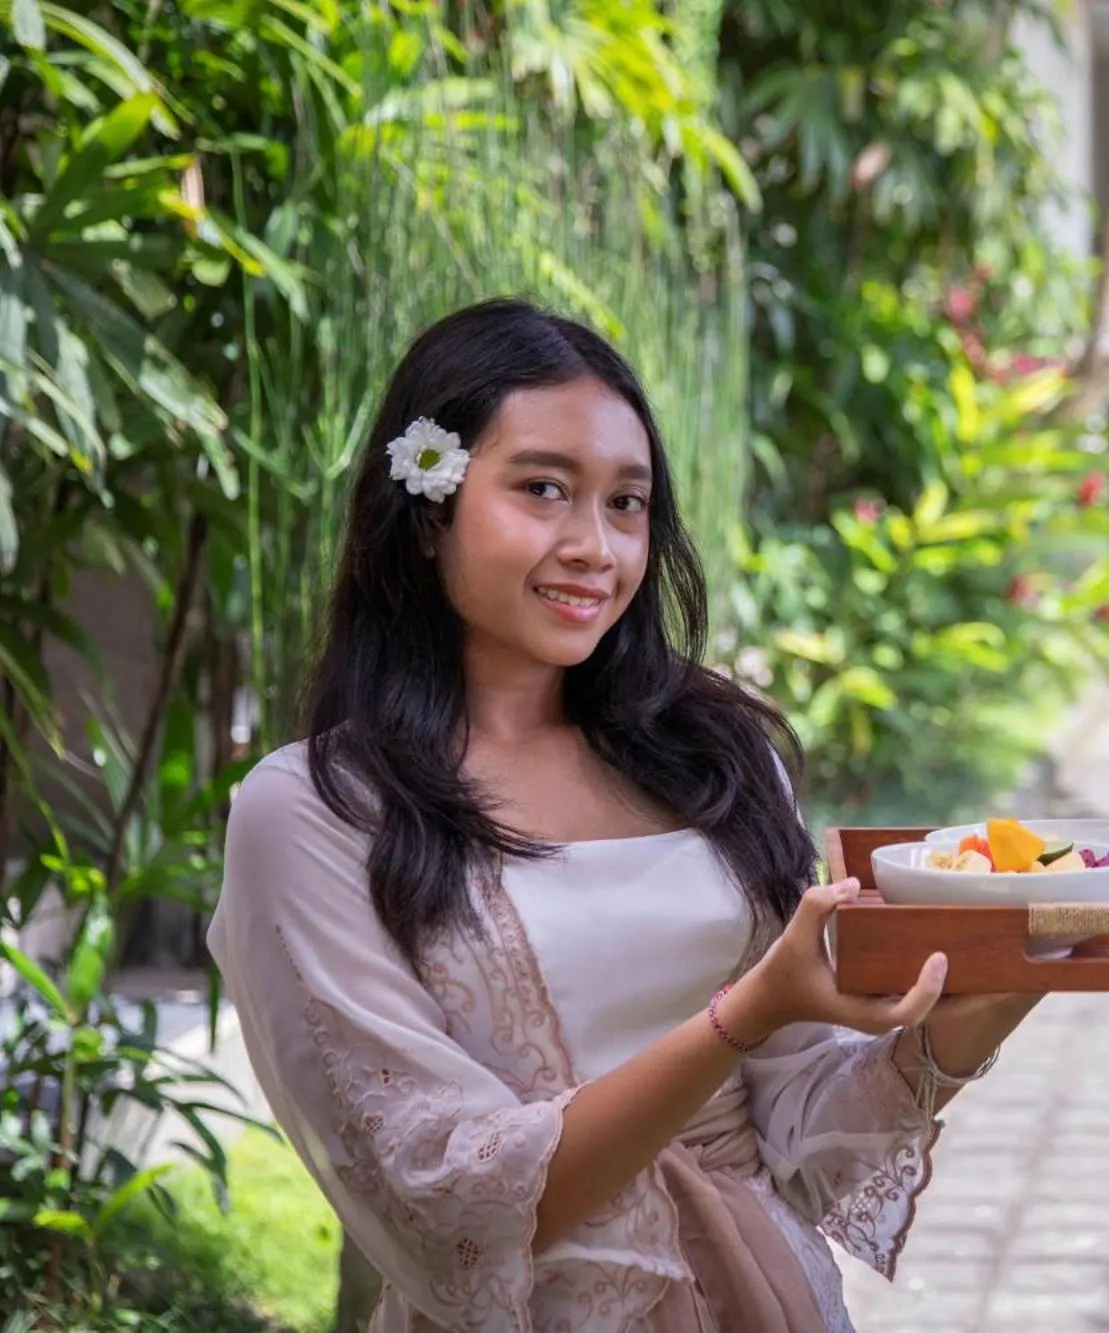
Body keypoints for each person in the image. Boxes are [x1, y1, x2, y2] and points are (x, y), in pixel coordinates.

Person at [207, 298, 1041, 1332]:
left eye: (626, 503)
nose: (592, 546)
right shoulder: (317, 810)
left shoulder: (711, 756)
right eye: (542, 489)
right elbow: (449, 1201)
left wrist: (1028, 957)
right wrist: (748, 1010)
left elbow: (803, 1134)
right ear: (428, 509)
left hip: (765, 1300)